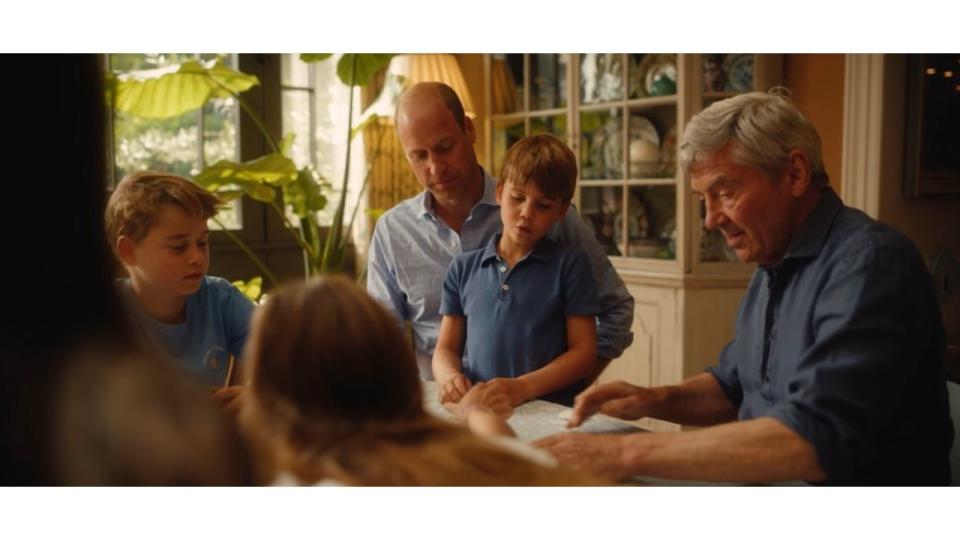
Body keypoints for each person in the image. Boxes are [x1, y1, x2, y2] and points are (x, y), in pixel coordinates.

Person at [534, 89, 953, 486]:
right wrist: (651, 398)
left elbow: (815, 437)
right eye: (704, 199)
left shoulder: (871, 264)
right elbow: (733, 388)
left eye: (725, 192)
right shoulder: (773, 264)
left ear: (795, 172)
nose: (711, 219)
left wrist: (621, 453)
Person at [366, 81, 634, 381]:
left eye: (445, 147)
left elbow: (617, 311)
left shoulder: (548, 214)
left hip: (532, 407)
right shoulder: (393, 232)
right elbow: (378, 341)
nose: (436, 168)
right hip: (443, 406)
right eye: (419, 156)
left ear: (469, 130)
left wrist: (564, 386)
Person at [239, 275, 599, 486]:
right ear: (396, 370)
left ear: (275, 396)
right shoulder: (500, 467)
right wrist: (475, 413)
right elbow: (504, 449)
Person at [433, 134, 599, 407]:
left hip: (550, 416)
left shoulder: (570, 266)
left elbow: (583, 354)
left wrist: (523, 387)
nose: (526, 213)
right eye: (517, 198)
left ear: (561, 211)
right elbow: (446, 348)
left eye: (542, 205)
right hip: (482, 412)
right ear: (499, 193)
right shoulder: (463, 268)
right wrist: (449, 376)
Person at [104, 170, 255, 415]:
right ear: (128, 251)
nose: (197, 257)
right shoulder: (105, 314)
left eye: (202, 243)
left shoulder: (221, 299)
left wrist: (258, 394)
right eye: (178, 247)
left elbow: (288, 360)